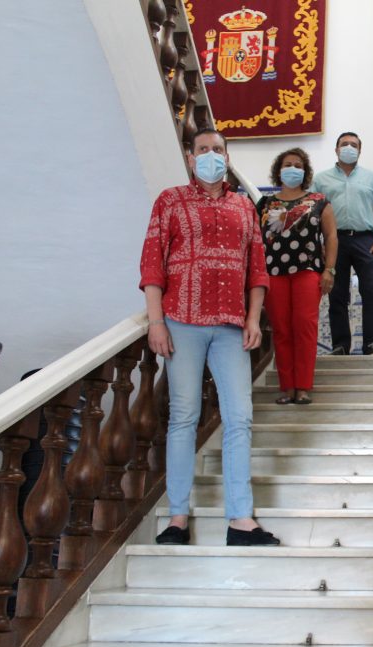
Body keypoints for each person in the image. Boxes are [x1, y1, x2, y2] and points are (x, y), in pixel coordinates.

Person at [139, 128, 280, 547]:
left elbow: (257, 268)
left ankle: (240, 518)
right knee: (184, 416)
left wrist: (253, 318)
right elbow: (152, 263)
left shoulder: (243, 206)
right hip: (181, 320)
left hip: (231, 326)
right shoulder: (170, 201)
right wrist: (156, 321)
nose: (210, 156)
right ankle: (177, 517)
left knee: (239, 417)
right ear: (190, 158)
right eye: (203, 150)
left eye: (218, 150)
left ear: (227, 157)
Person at [257, 147, 338, 405]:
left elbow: (331, 237)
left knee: (304, 327)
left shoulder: (319, 201)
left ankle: (302, 387)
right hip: (273, 274)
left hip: (308, 271)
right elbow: (255, 241)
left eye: (298, 165)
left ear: (305, 172)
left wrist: (329, 270)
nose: (292, 169)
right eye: (287, 165)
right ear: (278, 170)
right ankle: (287, 388)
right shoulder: (264, 204)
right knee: (281, 330)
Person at [312, 132, 373, 355]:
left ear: (359, 151)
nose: (349, 147)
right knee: (337, 293)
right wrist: (318, 243)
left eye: (353, 145)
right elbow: (311, 213)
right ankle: (340, 345)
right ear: (336, 149)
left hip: (365, 240)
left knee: (372, 290)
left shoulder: (371, 178)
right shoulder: (321, 179)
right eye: (344, 144)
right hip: (334, 240)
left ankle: (372, 344)